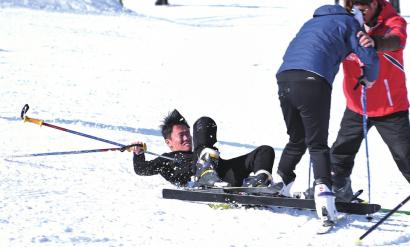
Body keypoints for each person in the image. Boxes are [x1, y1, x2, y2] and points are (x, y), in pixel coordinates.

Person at [275, 4, 379, 225]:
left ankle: (280, 181)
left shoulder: (311, 23)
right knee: (318, 144)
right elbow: (368, 56)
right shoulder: (350, 23)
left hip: (284, 79)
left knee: (297, 138)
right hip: (314, 81)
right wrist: (369, 77)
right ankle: (325, 199)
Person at [330, 0, 409, 202]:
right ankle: (339, 189)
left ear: (375, 3)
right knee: (341, 151)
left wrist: (376, 42)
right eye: (352, 5)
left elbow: (397, 39)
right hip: (357, 105)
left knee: (405, 155)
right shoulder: (347, 23)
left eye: (362, 6)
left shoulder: (393, 20)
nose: (357, 10)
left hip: (390, 107)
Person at [132, 109, 276, 188]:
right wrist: (138, 154)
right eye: (181, 135)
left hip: (222, 174)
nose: (187, 138)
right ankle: (204, 174)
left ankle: (260, 182)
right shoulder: (167, 160)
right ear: (169, 142)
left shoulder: (199, 151)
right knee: (202, 143)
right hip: (195, 177)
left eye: (188, 134)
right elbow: (142, 169)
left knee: (265, 151)